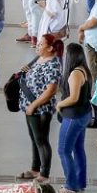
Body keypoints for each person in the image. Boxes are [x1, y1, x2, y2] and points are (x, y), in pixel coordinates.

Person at [19, 33, 64, 181]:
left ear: (50, 48)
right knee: (34, 138)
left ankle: (44, 173)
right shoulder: (39, 58)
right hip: (30, 106)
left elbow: (51, 90)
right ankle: (35, 169)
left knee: (41, 140)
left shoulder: (53, 64)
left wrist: (34, 105)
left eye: (41, 44)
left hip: (40, 109)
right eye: (37, 43)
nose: (37, 46)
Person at [57, 42, 93, 193]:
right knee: (78, 149)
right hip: (84, 114)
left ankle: (71, 185)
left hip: (74, 116)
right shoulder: (85, 70)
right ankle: (80, 182)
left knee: (63, 150)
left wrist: (59, 104)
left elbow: (73, 98)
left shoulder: (75, 73)